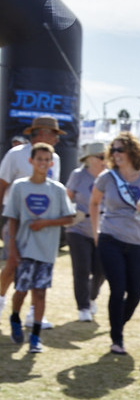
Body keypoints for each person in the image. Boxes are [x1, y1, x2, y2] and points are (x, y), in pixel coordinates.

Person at [88, 133, 140, 355]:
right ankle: (117, 338)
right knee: (117, 289)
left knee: (136, 292)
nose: (116, 154)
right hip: (111, 238)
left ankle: (118, 324)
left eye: (121, 150)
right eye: (114, 150)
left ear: (132, 152)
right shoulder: (107, 178)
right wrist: (96, 233)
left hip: (138, 241)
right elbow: (93, 203)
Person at [2, 143, 74, 352]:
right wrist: (12, 249)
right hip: (24, 248)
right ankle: (15, 316)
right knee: (22, 290)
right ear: (30, 161)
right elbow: (12, 218)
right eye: (39, 159)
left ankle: (35, 337)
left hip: (47, 250)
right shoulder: (19, 187)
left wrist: (45, 223)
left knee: (40, 293)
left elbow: (69, 217)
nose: (43, 163)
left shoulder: (57, 189)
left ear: (52, 163)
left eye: (46, 160)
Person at [0, 116, 64, 331]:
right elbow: (1, 186)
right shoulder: (16, 155)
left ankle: (32, 314)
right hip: (17, 221)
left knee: (40, 269)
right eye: (54, 134)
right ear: (42, 133)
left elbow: (53, 190)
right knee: (13, 264)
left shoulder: (55, 158)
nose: (57, 138)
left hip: (44, 225)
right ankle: (0, 301)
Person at [66, 142, 108, 322]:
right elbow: (66, 199)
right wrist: (72, 214)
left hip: (103, 230)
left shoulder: (110, 177)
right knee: (81, 269)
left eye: (107, 157)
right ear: (90, 159)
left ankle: (91, 297)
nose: (105, 161)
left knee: (102, 270)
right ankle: (83, 306)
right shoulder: (78, 175)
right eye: (101, 157)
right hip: (78, 229)